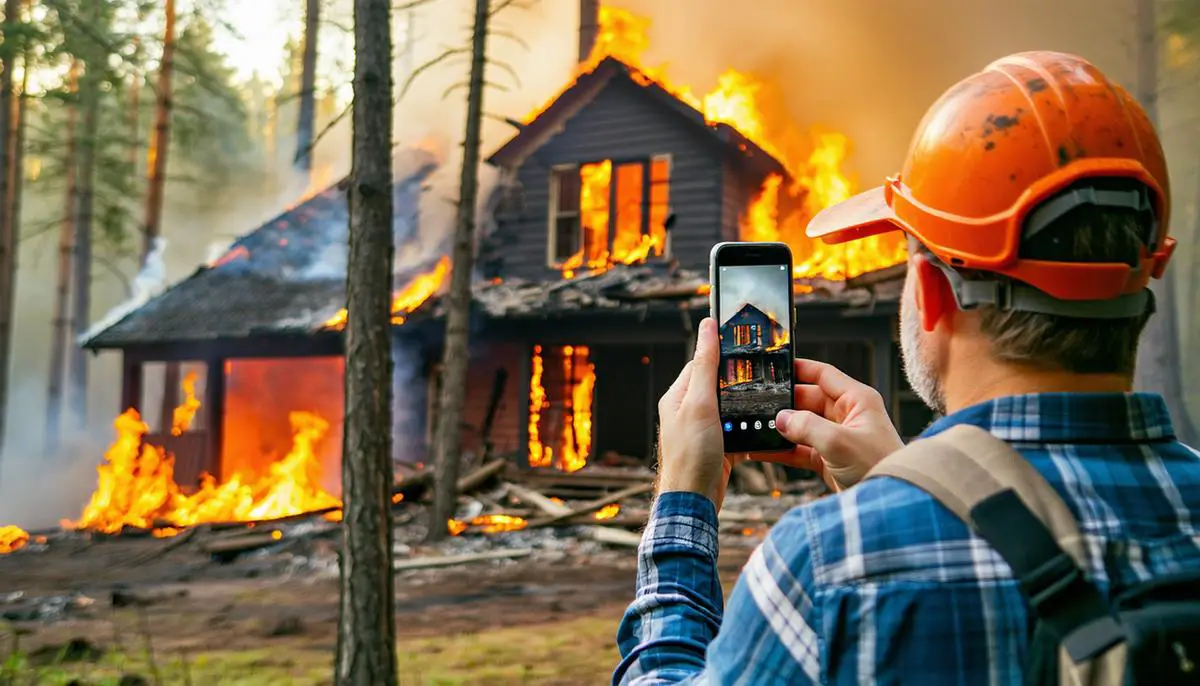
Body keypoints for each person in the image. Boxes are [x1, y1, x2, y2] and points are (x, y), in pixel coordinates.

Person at [612, 50, 1199, 685]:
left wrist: (681, 501)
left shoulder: (829, 566)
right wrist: (898, 482)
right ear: (1142, 288)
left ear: (931, 292)